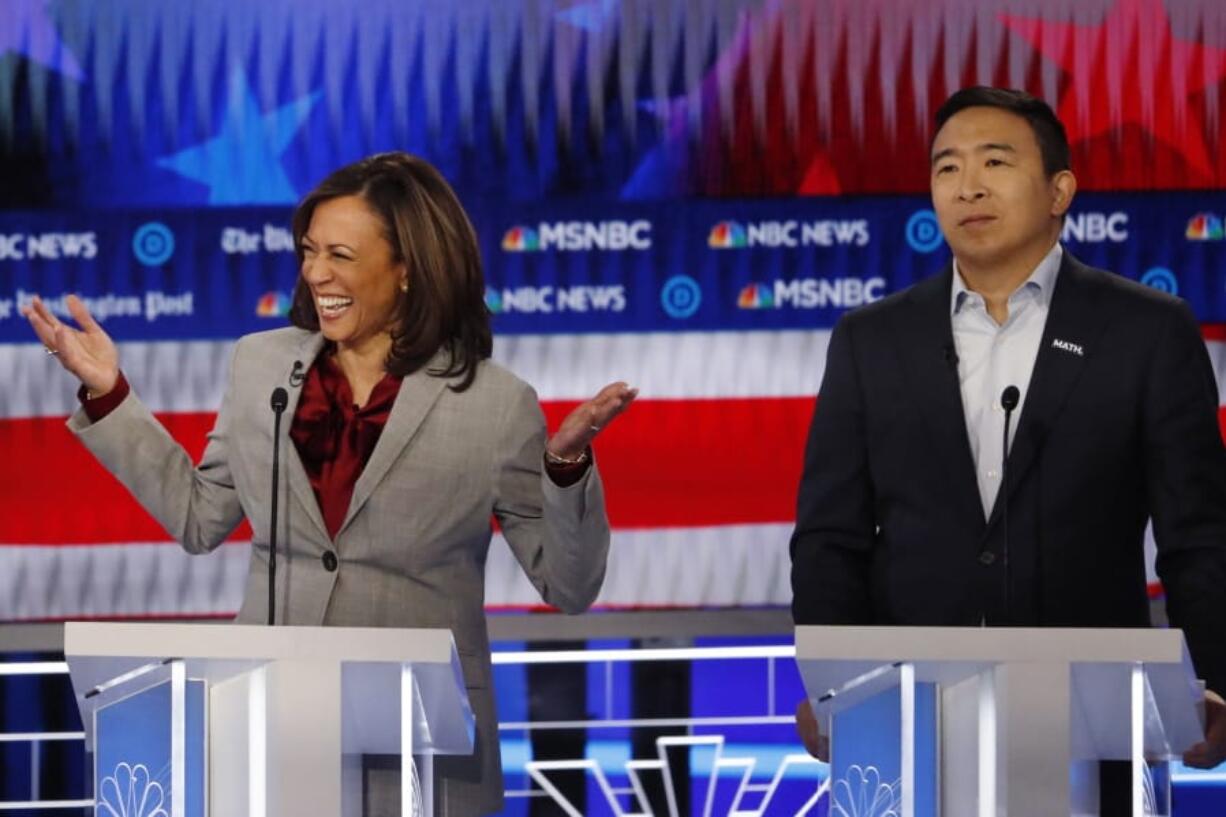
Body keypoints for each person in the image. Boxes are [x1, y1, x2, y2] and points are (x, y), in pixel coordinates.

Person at [22, 151, 637, 815]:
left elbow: (570, 587)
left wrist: (565, 469)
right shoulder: (262, 367)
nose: (316, 272)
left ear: (407, 269)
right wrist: (110, 395)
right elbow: (201, 517)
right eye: (309, 250)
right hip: (267, 743)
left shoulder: (493, 404)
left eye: (340, 254)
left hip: (420, 763)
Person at [789, 87, 1226, 780]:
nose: (968, 187)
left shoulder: (1146, 331)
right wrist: (831, 683)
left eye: (995, 162)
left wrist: (1217, 678)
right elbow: (829, 538)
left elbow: (1199, 535)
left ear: (1060, 190)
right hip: (909, 721)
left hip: (1095, 720)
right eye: (947, 168)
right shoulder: (871, 340)